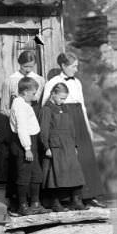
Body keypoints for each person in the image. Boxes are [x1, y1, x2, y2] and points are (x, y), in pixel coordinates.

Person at [40, 52, 105, 207]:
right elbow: (45, 104)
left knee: (85, 157)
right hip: (65, 120)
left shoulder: (77, 82)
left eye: (77, 66)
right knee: (68, 159)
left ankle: (88, 196)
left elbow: (82, 106)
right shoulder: (53, 82)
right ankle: (68, 198)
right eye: (73, 66)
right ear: (63, 66)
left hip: (79, 120)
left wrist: (88, 128)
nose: (76, 69)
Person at [38, 82, 86, 212]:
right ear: (53, 94)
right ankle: (55, 203)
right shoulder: (46, 109)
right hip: (56, 146)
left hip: (68, 145)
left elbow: (71, 127)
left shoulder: (65, 108)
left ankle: (76, 200)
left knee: (75, 172)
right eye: (61, 98)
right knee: (55, 175)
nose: (63, 101)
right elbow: (43, 131)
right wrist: (46, 147)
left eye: (65, 98)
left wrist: (74, 144)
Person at [9, 77, 51, 216]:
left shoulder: (24, 104)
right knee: (24, 174)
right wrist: (27, 148)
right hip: (23, 144)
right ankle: (22, 205)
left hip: (31, 141)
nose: (35, 96)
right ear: (25, 92)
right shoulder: (19, 105)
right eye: (33, 93)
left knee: (36, 173)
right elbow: (21, 128)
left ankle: (35, 204)